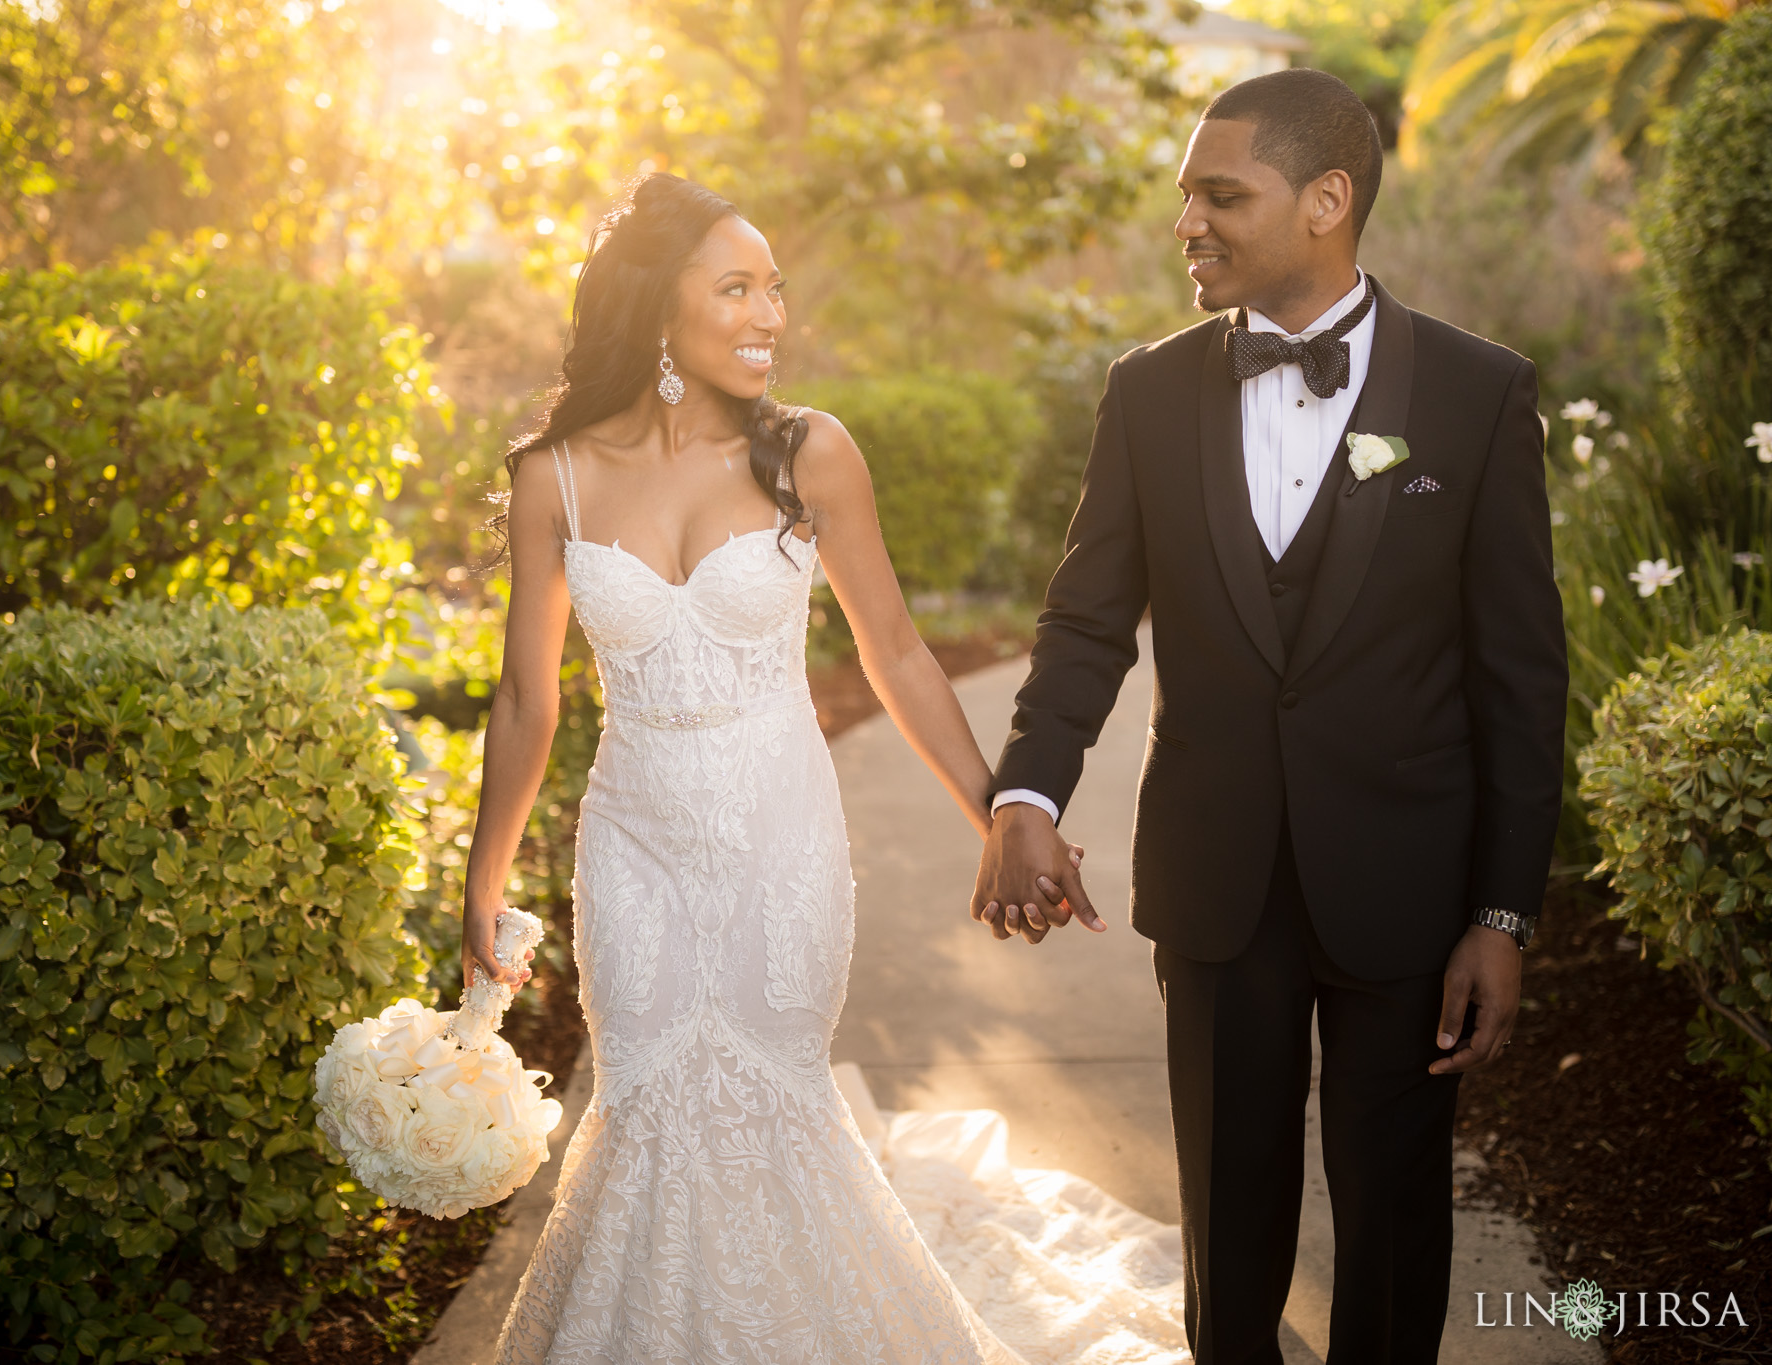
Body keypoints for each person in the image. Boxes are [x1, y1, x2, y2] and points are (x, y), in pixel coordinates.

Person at [465, 170, 1195, 1364]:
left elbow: (898, 653)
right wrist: (481, 884)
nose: (769, 315)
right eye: (736, 288)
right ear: (659, 311)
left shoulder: (810, 452)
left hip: (779, 835)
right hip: (633, 844)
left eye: (776, 289)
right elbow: (524, 698)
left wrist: (1000, 818)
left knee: (769, 1092)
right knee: (644, 1104)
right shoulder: (553, 472)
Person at [970, 68, 1567, 1364]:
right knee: (1226, 1227)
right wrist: (1025, 794)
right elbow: (1085, 624)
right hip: (1217, 880)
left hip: (1407, 888)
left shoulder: (1477, 393)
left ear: (1326, 199)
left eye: (1221, 195)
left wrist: (1503, 912)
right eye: (1187, 198)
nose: (1188, 224)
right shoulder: (1147, 391)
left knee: (1397, 1223)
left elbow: (1522, 680)